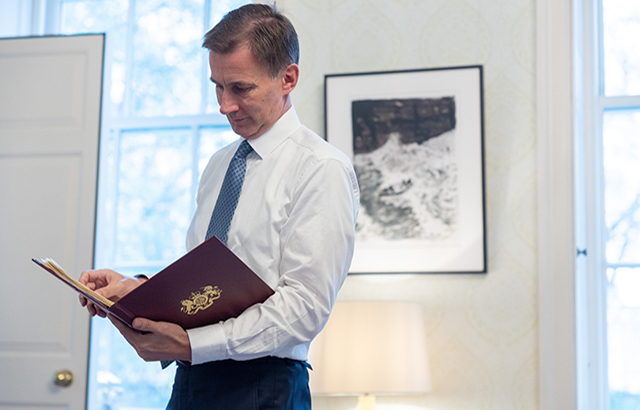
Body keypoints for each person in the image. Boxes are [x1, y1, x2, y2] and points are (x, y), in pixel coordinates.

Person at [79, 3, 360, 409]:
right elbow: (207, 286)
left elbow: (304, 309)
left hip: (265, 387)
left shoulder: (322, 169)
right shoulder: (220, 165)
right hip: (192, 381)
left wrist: (192, 344)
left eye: (240, 88)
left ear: (288, 78)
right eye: (217, 86)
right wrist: (136, 290)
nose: (224, 105)